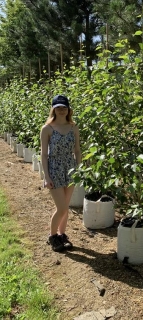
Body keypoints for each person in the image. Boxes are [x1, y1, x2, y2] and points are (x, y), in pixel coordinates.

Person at [40, 94, 81, 252]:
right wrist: (46, 176)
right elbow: (44, 154)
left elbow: (77, 150)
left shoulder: (73, 127)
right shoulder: (47, 129)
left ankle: (62, 235)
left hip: (70, 168)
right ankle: (52, 237)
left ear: (68, 109)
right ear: (54, 109)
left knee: (66, 207)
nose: (62, 110)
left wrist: (78, 170)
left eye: (64, 107)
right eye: (58, 107)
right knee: (61, 208)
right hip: (54, 168)